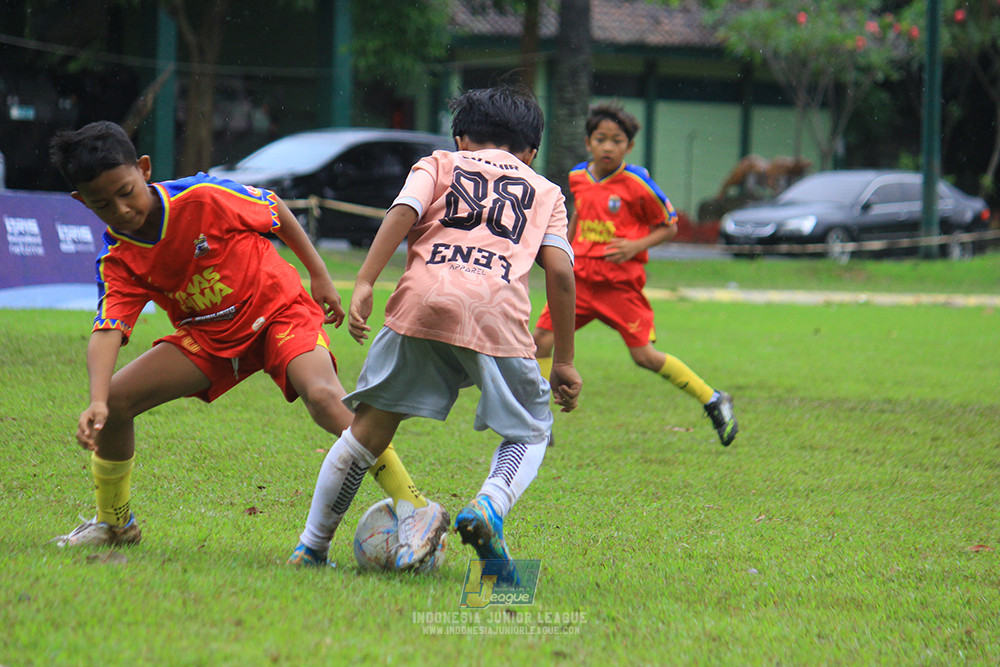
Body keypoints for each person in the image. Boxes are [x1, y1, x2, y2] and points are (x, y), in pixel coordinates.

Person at [47, 121, 447, 568]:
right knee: (117, 401)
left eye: (126, 191)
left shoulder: (201, 198)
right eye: (102, 204)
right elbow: (107, 329)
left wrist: (317, 273)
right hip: (209, 337)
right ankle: (115, 523)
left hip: (279, 311)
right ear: (82, 202)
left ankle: (415, 506)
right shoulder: (119, 258)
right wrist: (97, 401)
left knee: (324, 397)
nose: (120, 209)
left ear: (143, 169)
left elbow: (275, 208)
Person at [289, 86, 581, 581]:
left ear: (463, 138)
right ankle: (490, 504)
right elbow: (561, 273)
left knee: (365, 433)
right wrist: (566, 360)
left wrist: (364, 281)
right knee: (531, 429)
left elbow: (401, 213)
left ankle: (311, 548)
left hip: (421, 304)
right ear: (531, 152)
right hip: (496, 314)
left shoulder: (440, 163)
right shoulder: (547, 191)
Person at [533, 102, 738, 446]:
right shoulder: (578, 178)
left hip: (619, 286)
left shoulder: (637, 182)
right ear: (589, 143)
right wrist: (563, 252)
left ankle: (713, 398)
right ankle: (540, 421)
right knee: (540, 341)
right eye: (601, 139)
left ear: (628, 146)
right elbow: (577, 217)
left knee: (644, 357)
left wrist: (633, 246)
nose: (608, 146)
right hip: (580, 281)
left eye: (617, 140)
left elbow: (669, 226)